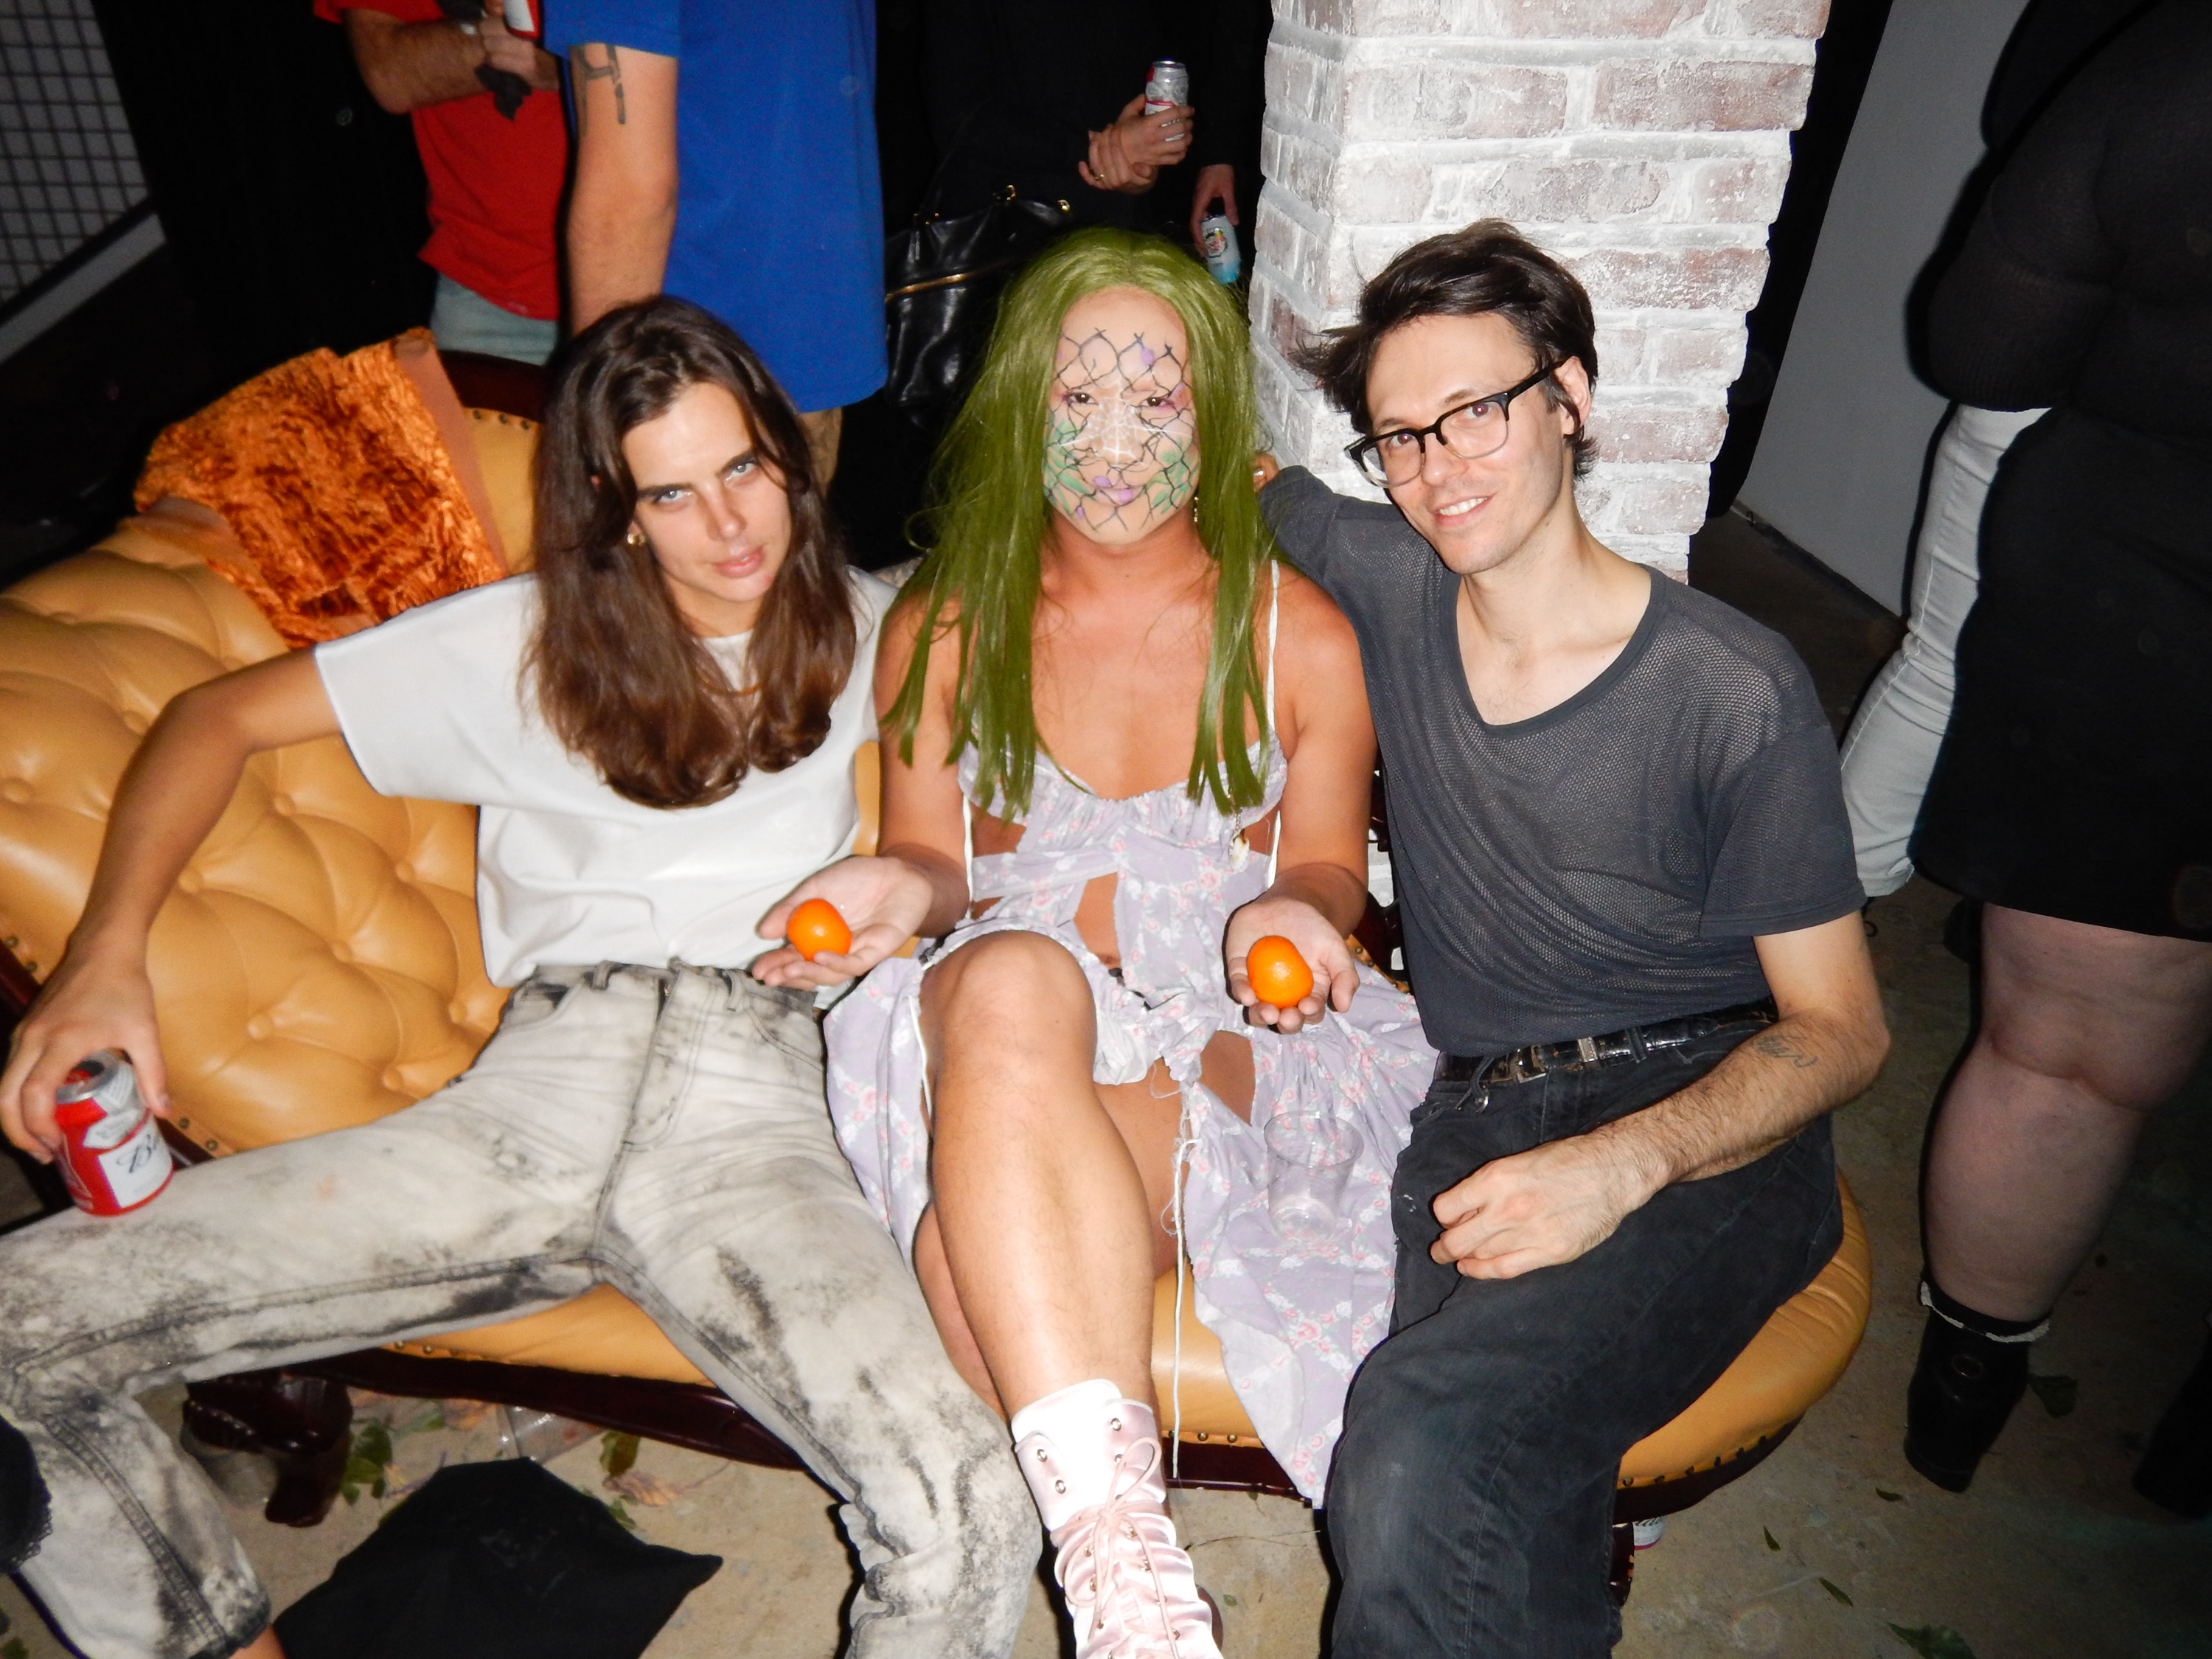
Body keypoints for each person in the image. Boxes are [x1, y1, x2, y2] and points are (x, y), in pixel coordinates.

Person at [0, 298, 1035, 1659]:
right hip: (535, 1099)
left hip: (761, 1111)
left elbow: (963, 854)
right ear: (617, 512)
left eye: (744, 467)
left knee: (970, 1510)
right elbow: (214, 717)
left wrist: (908, 886)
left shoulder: (886, 628)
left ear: (790, 456)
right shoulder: (529, 638)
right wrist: (102, 958)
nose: (731, 525)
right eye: (673, 493)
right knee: (16, 1334)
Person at [754, 227, 1433, 1659]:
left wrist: (1299, 915)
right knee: (1009, 976)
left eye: (1157, 399)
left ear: (1214, 418)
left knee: (964, 1253)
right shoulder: (945, 624)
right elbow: (939, 865)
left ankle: (1108, 1563)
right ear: (1023, 407)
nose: (1116, 441)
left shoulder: (1298, 635)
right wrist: (894, 893)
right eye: (1078, 398)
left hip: (1212, 1045)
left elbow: (1326, 864)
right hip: (1000, 1026)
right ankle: (1129, 1579)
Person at [1258, 220, 1888, 1655]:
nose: (1439, 469)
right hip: (1478, 1114)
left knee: (1417, 1439)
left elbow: (1847, 1031)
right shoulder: (1394, 575)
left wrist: (1625, 1164)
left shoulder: (1731, 688)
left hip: (1709, 1119)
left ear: (1570, 399)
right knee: (1488, 1488)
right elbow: (1242, 482)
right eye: (1402, 436)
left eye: (1476, 412)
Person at [1899, 0, 2212, 1512]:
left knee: (2069, 1058)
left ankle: (1965, 1389)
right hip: (2151, 607)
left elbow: (1979, 341)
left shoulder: (2185, 69)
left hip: (2154, 601)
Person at [552, 1, 883, 484]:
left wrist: (596, 421)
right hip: (815, 311)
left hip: (685, 354)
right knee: (781, 533)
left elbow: (630, 195)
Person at [321, 0, 568, 365]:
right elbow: (390, 73)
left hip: (651, 275)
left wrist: (564, 57)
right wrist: (545, 49)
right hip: (491, 295)